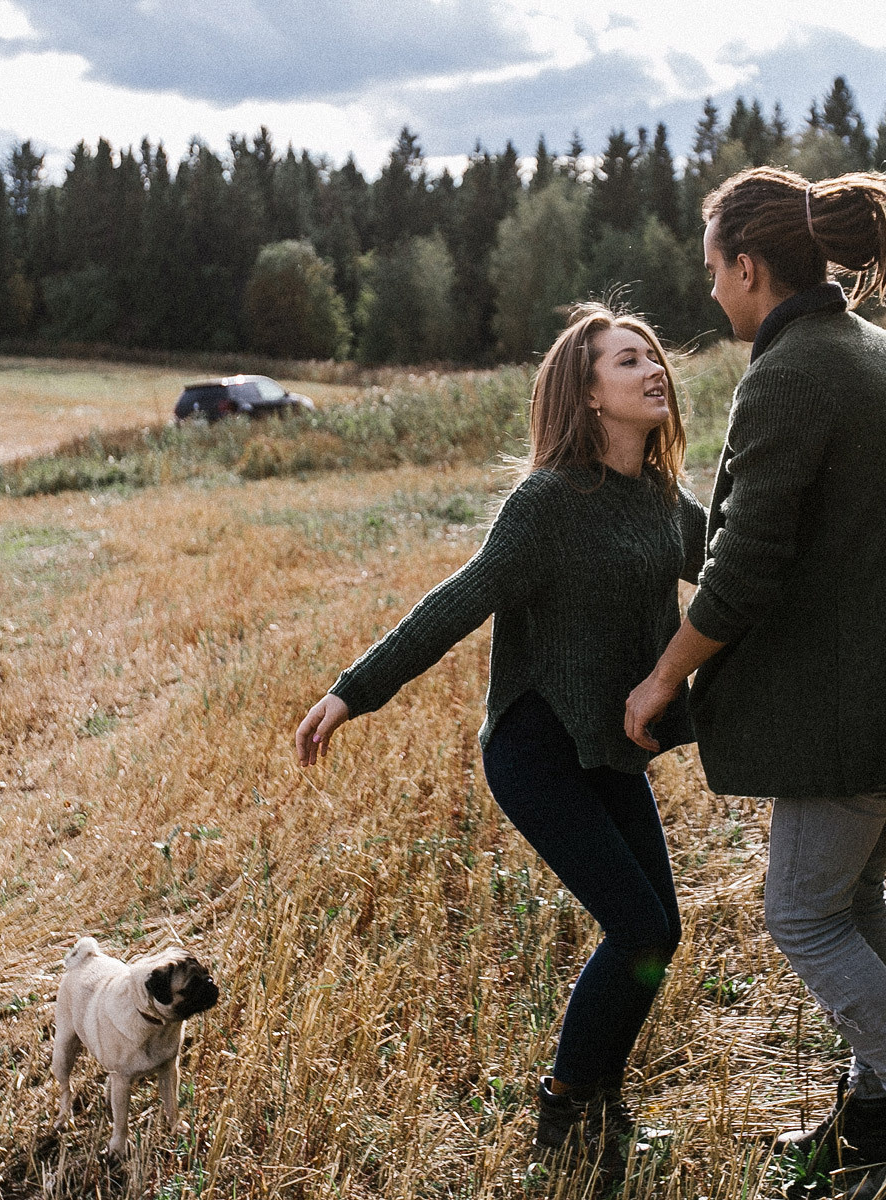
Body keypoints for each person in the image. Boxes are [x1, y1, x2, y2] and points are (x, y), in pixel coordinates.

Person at [623, 167, 886, 1200]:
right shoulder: (881, 352)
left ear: (750, 267)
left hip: (859, 701)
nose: (711, 292)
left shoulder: (793, 372)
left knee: (803, 915)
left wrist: (663, 677)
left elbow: (746, 564)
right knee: (849, 896)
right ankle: (877, 1108)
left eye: (714, 270)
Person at [294, 303, 706, 1185]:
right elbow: (459, 600)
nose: (652, 371)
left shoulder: (665, 502)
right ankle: (564, 1107)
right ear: (589, 395)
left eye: (653, 357)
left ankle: (600, 1103)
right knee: (638, 923)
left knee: (656, 931)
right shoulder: (548, 503)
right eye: (628, 361)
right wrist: (351, 691)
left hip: (608, 749)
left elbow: (741, 567)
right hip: (536, 748)